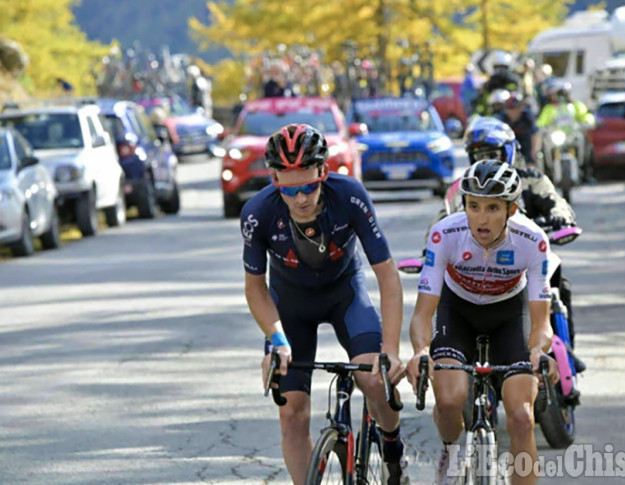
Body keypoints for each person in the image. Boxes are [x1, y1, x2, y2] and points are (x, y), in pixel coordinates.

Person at [241, 124, 409, 485]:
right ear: (273, 180)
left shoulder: (349, 197)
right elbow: (255, 288)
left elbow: (388, 276)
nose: (300, 199)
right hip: (290, 307)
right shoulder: (258, 213)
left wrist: (391, 350)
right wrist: (276, 339)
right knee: (292, 414)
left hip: (344, 296)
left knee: (375, 381)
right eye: (289, 189)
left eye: (309, 186)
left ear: (324, 173)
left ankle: (393, 448)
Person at [406, 159, 560, 485]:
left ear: (511, 210)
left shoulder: (532, 240)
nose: (482, 218)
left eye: (492, 208)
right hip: (457, 313)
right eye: (473, 206)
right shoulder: (445, 234)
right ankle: (451, 450)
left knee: (521, 417)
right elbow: (422, 313)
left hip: (509, 316)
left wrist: (538, 351)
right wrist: (421, 350)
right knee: (449, 400)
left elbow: (541, 322)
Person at [430, 116, 579, 347]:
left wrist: (560, 218)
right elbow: (440, 221)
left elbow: (557, 202)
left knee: (558, 282)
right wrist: (429, 250)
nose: (487, 160)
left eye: (493, 153)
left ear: (509, 152)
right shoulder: (461, 188)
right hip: (475, 263)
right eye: (480, 155)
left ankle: (565, 350)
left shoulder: (532, 179)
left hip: (526, 257)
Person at [496, 92, 541, 166]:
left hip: (526, 145)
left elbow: (535, 134)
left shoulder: (527, 117)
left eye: (515, 109)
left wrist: (535, 152)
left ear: (521, 108)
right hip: (510, 146)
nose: (512, 112)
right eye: (510, 109)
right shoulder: (501, 119)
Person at [473, 51, 522, 116]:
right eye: (498, 67)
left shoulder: (514, 80)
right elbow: (482, 98)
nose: (501, 70)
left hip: (509, 110)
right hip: (491, 111)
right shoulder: (491, 81)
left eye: (503, 67)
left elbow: (519, 95)